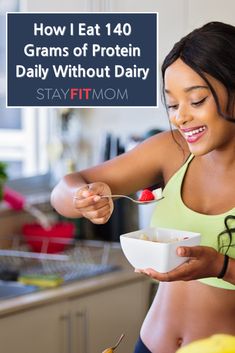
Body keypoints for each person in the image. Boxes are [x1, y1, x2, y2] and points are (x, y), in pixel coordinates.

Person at [51, 21, 235, 353]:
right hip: (150, 345)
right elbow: (63, 190)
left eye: (196, 100)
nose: (181, 118)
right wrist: (82, 198)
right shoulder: (172, 150)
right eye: (173, 104)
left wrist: (221, 266)